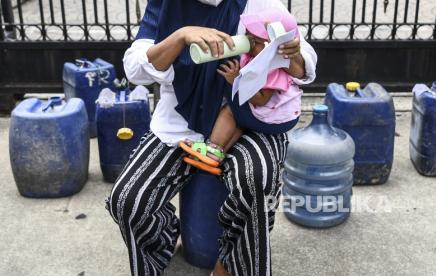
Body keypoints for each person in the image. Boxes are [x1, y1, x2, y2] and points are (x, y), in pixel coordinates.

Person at [106, 0, 317, 275]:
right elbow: (135, 69)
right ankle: (164, 245)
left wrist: (293, 53)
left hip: (248, 117)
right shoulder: (166, 5)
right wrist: (180, 37)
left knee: (257, 175)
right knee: (128, 200)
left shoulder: (257, 2)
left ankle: (234, 264)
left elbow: (305, 60)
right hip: (181, 118)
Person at [179, 9, 304, 175]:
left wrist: (236, 81)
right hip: (273, 115)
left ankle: (212, 148)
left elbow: (261, 100)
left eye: (257, 41)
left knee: (231, 110)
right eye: (248, 34)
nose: (249, 41)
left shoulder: (272, 67)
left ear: (276, 46)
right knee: (240, 116)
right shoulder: (258, 56)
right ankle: (216, 156)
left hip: (276, 120)